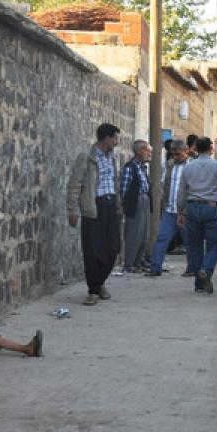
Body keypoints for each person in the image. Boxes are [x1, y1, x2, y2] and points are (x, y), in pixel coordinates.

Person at [67, 123, 122, 306]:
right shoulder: (87, 158)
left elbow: (115, 182)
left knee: (113, 248)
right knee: (92, 250)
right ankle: (94, 289)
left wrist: (118, 205)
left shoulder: (111, 157)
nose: (117, 141)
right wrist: (73, 210)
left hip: (110, 206)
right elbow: (75, 185)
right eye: (115, 137)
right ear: (106, 138)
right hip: (93, 207)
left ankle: (99, 283)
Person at [177, 137, 217, 294]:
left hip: (192, 207)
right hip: (212, 207)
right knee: (214, 245)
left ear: (196, 149)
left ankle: (199, 284)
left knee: (195, 246)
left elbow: (181, 192)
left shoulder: (188, 168)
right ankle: (206, 271)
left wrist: (180, 212)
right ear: (210, 148)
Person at [145, 140, 195, 277]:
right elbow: (162, 184)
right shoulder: (169, 165)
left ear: (186, 151)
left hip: (186, 212)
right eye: (173, 154)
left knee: (189, 241)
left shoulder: (193, 166)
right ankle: (155, 268)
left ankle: (191, 269)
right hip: (170, 210)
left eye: (178, 154)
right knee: (162, 238)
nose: (175, 157)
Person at [120, 140, 153, 273]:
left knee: (145, 233)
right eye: (147, 151)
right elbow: (124, 189)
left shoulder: (142, 167)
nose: (149, 154)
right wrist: (125, 206)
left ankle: (139, 261)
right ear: (140, 151)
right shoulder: (130, 167)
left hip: (144, 200)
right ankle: (130, 263)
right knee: (134, 233)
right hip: (136, 202)